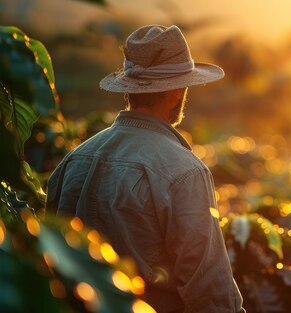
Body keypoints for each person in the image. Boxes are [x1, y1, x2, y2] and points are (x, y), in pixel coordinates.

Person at [46, 25, 245, 313]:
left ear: (129, 90)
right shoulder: (185, 171)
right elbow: (209, 292)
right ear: (178, 91)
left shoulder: (75, 159)